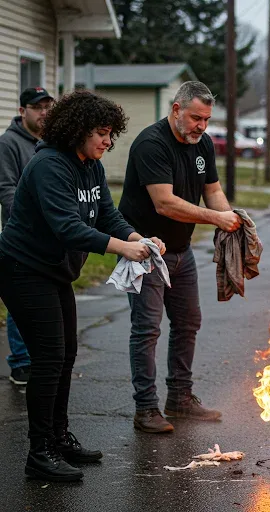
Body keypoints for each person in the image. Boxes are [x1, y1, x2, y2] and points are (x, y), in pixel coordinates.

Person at [0, 90, 165, 481]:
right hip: (23, 269)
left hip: (54, 271)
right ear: (77, 130)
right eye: (102, 133)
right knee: (48, 358)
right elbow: (68, 227)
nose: (108, 142)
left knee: (66, 354)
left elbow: (107, 215)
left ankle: (58, 439)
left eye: (110, 134)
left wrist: (138, 238)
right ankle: (39, 453)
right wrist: (123, 249)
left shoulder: (91, 166)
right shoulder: (48, 166)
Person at [118, 81, 242, 433]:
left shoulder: (202, 144)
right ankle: (146, 408)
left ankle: (180, 398)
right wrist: (215, 218)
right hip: (144, 251)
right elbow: (165, 203)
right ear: (176, 109)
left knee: (188, 323)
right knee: (147, 330)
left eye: (206, 119)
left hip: (181, 252)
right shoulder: (151, 144)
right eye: (195, 118)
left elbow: (213, 191)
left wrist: (231, 221)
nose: (201, 126)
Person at [0, 87, 54, 385]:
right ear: (22, 111)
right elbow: (6, 189)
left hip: (49, 238)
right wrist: (32, 219)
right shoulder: (8, 143)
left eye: (48, 106)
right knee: (20, 300)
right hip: (19, 238)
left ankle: (40, 359)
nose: (44, 112)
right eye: (37, 107)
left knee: (43, 300)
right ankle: (20, 363)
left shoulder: (51, 142)